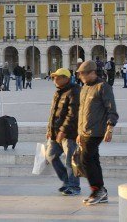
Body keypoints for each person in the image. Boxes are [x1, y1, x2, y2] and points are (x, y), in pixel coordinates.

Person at [61, 60, 118, 206]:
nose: (80, 77)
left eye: (82, 74)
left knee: (85, 160)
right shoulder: (84, 88)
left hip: (96, 131)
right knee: (93, 160)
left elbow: (111, 109)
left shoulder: (103, 87)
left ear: (92, 72)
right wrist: (79, 132)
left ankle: (97, 189)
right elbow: (81, 113)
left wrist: (110, 127)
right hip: (84, 132)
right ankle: (101, 191)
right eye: (79, 74)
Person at [46, 67, 81, 196]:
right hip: (56, 133)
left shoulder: (74, 91)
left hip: (69, 133)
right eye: (54, 77)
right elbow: (53, 113)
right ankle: (66, 180)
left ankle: (74, 186)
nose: (55, 79)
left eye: (58, 77)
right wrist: (49, 129)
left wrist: (63, 131)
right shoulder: (58, 92)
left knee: (70, 160)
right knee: (51, 155)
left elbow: (73, 115)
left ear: (66, 78)